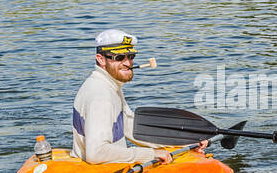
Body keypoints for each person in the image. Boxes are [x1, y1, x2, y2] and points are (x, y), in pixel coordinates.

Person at [72, 29, 207, 164]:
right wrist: (150, 154)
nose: (127, 63)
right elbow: (96, 153)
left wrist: (183, 142)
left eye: (130, 56)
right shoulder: (101, 96)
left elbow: (130, 128)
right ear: (101, 59)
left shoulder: (109, 85)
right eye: (119, 58)